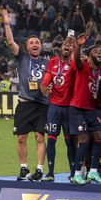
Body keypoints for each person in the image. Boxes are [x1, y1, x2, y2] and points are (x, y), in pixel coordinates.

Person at [3, 8, 49, 181]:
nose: (35, 44)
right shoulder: (22, 57)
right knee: (21, 137)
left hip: (42, 105)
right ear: (27, 47)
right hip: (24, 103)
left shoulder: (47, 62)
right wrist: (7, 24)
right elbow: (9, 42)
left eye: (37, 42)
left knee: (39, 137)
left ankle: (38, 169)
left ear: (41, 46)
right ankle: (23, 169)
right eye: (31, 43)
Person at [70, 33, 101, 185]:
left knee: (100, 138)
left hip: (90, 110)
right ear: (90, 56)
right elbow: (78, 59)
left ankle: (93, 172)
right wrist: (79, 46)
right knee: (84, 140)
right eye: (96, 53)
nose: (99, 54)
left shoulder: (99, 72)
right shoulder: (83, 65)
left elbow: (99, 93)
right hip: (77, 108)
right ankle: (77, 174)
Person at [39, 37, 76, 182]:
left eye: (69, 45)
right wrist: (44, 88)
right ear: (60, 48)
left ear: (72, 49)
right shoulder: (53, 62)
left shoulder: (74, 64)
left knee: (69, 142)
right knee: (51, 139)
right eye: (64, 45)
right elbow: (45, 82)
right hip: (54, 107)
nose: (66, 47)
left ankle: (73, 173)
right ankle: (50, 173)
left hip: (69, 108)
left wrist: (76, 50)